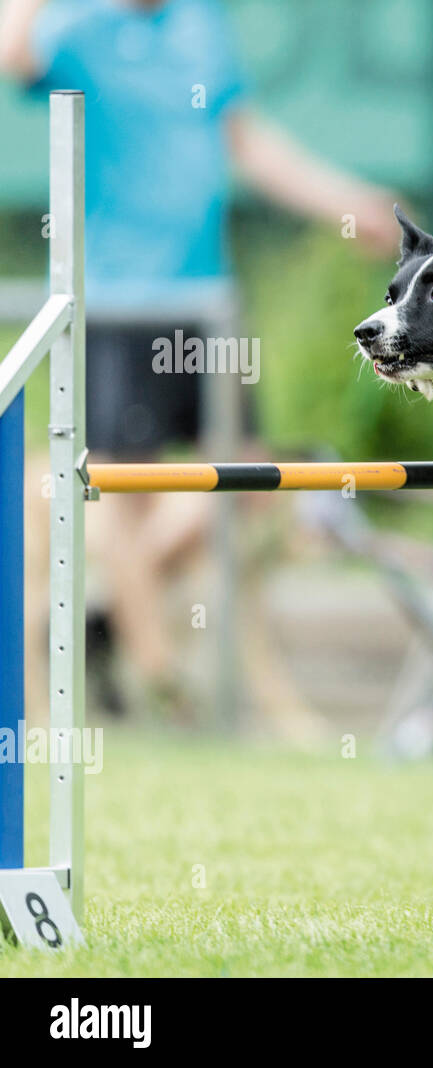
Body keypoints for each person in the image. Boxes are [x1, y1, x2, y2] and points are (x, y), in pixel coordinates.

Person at [0, 0, 399, 716]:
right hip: (122, 298)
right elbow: (14, 53)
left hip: (209, 298)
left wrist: (344, 201)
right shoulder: (81, 30)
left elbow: (246, 141)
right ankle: (156, 674)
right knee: (125, 483)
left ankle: (116, 611)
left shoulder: (200, 21)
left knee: (245, 481)